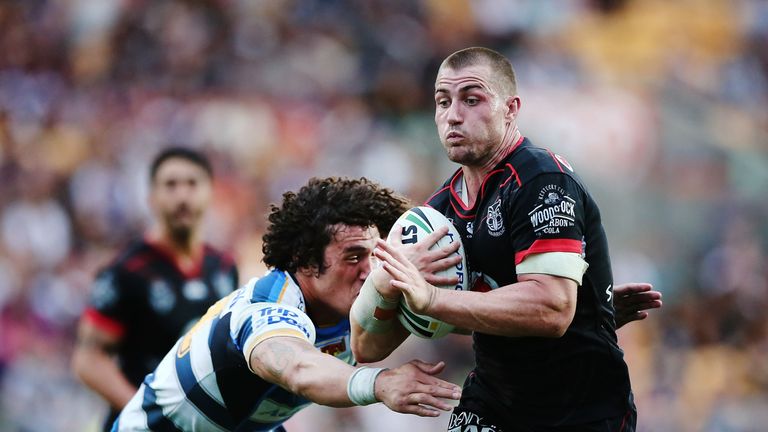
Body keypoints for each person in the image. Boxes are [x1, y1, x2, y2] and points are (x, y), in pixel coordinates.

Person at [350, 47, 662, 432]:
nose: (453, 115)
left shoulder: (542, 181)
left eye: (472, 99)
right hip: (495, 403)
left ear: (511, 108)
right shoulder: (439, 214)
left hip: (579, 408)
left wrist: (433, 299)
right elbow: (367, 347)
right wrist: (386, 283)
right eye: (443, 102)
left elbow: (552, 309)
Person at [111, 177, 463, 431]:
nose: (369, 271)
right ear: (306, 261)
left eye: (375, 256)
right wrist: (380, 383)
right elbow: (299, 369)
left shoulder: (360, 304)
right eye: (354, 257)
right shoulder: (265, 309)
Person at [72, 147, 239, 431]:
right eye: (171, 185)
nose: (182, 196)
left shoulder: (223, 268)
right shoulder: (127, 271)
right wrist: (147, 414)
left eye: (192, 184)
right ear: (151, 197)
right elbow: (89, 359)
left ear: (210, 192)